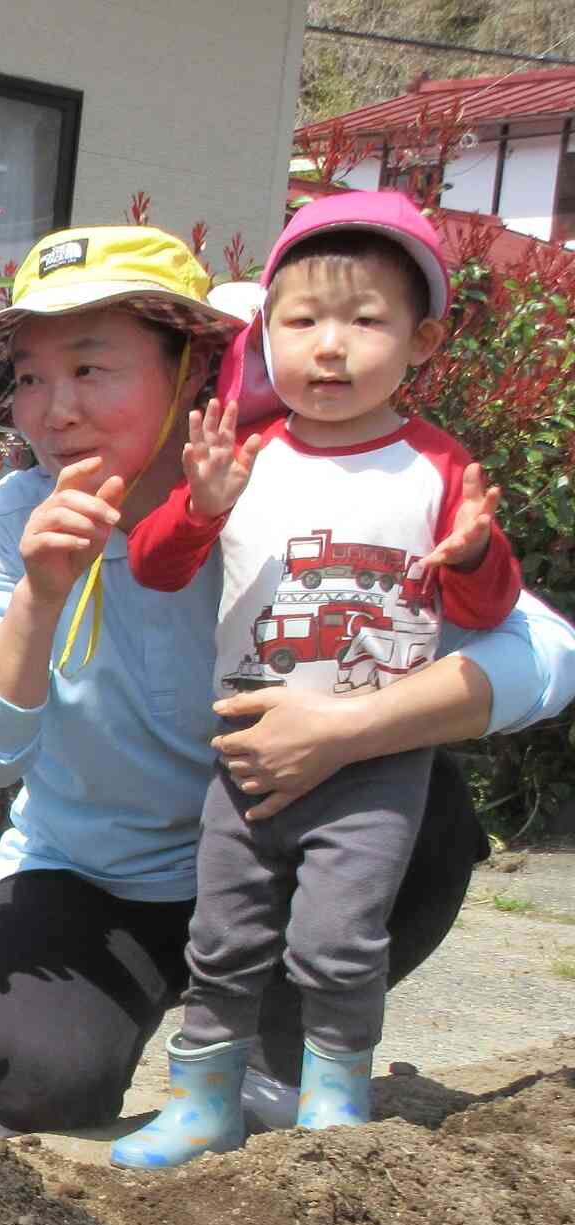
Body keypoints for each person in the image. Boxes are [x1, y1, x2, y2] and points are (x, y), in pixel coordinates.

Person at [0, 225, 575, 1139]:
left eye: (90, 369)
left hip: (267, 849)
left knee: (417, 801)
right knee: (32, 1083)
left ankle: (276, 1054)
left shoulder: (293, 489)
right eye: (30, 377)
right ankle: (95, 1041)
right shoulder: (4, 523)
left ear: (194, 370)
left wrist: (354, 729)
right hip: (89, 870)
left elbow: (545, 652)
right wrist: (41, 594)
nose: (52, 410)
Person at [110, 194, 518, 1166]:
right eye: (302, 321)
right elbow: (158, 567)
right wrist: (198, 510)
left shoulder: (436, 467)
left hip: (376, 764)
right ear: (266, 334)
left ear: (421, 342)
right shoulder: (248, 459)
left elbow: (495, 603)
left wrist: (470, 554)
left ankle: (335, 1101)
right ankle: (202, 1100)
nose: (329, 348)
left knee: (338, 937)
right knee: (224, 935)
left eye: (364, 321)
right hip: (244, 749)